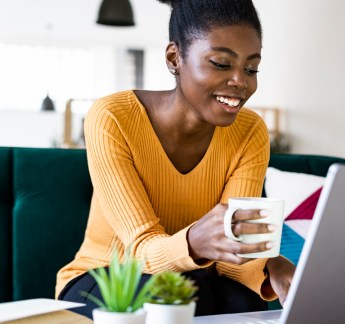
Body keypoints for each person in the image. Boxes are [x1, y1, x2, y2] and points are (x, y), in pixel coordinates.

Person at [56, 0, 295, 318]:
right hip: (108, 277)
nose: (241, 81)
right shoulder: (112, 117)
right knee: (175, 299)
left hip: (197, 278)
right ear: (174, 58)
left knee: (242, 303)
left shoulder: (250, 131)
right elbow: (140, 249)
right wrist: (195, 242)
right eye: (221, 64)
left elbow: (228, 252)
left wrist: (268, 265)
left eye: (251, 68)